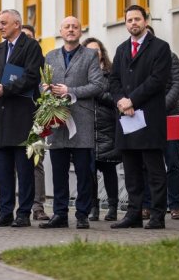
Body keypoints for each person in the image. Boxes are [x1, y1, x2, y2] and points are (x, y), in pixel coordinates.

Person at [40, 17, 107, 230]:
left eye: (75, 27)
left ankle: (82, 214)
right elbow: (43, 85)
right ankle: (59, 214)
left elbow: (98, 85)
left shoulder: (90, 55)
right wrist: (46, 91)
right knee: (58, 172)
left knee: (84, 173)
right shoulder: (50, 56)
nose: (71, 30)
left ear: (80, 31)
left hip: (81, 121)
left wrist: (70, 92)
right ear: (60, 30)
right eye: (67, 27)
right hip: (57, 122)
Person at [109, 5, 171, 230]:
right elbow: (113, 80)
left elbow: (157, 80)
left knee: (154, 170)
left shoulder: (160, 48)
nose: (133, 23)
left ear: (145, 21)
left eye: (137, 19)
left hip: (149, 118)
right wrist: (120, 101)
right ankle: (133, 214)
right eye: (129, 20)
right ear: (125, 24)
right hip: (126, 119)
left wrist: (131, 100)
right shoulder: (121, 49)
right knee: (131, 170)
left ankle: (157, 216)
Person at [0, 9, 44, 228]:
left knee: (25, 169)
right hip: (1, 117)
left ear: (17, 24)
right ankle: (5, 212)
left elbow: (31, 77)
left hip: (23, 116)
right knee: (4, 170)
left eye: (4, 23)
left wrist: (5, 89)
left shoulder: (31, 47)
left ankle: (23, 213)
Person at [141, 26, 179, 221]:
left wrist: (159, 108)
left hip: (169, 117)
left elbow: (178, 85)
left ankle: (175, 205)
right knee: (147, 164)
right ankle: (148, 205)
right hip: (144, 119)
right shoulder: (138, 60)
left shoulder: (170, 56)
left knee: (172, 162)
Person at [82, 37, 121, 222]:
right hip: (87, 128)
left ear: (101, 53)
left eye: (96, 50)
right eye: (89, 50)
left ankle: (113, 207)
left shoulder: (111, 73)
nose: (93, 54)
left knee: (109, 169)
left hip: (107, 128)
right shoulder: (81, 74)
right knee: (89, 172)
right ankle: (93, 207)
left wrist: (97, 92)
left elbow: (116, 100)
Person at [21, 24, 50, 221]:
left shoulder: (44, 64)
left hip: (37, 118)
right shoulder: (9, 63)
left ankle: (38, 206)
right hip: (14, 119)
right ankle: (21, 204)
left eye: (29, 38)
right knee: (18, 163)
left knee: (36, 161)